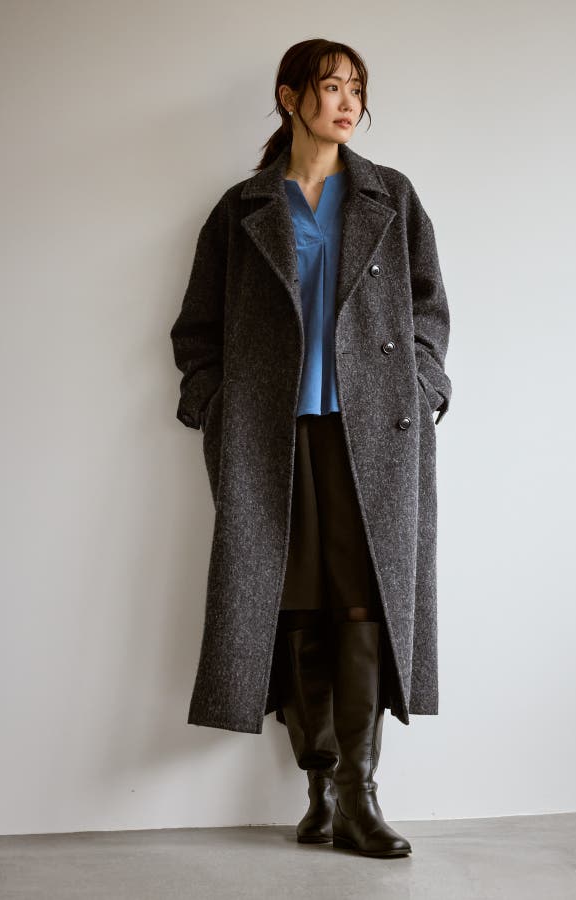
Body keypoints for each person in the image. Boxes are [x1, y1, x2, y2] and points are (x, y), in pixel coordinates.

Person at [170, 39, 452, 860]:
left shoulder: (391, 196)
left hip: (374, 434)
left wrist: (425, 384)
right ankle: (320, 790)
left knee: (364, 601)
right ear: (290, 96)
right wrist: (214, 405)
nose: (348, 101)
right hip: (272, 433)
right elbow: (198, 329)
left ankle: (362, 796)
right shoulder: (242, 209)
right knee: (291, 602)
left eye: (356, 88)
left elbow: (430, 309)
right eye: (331, 86)